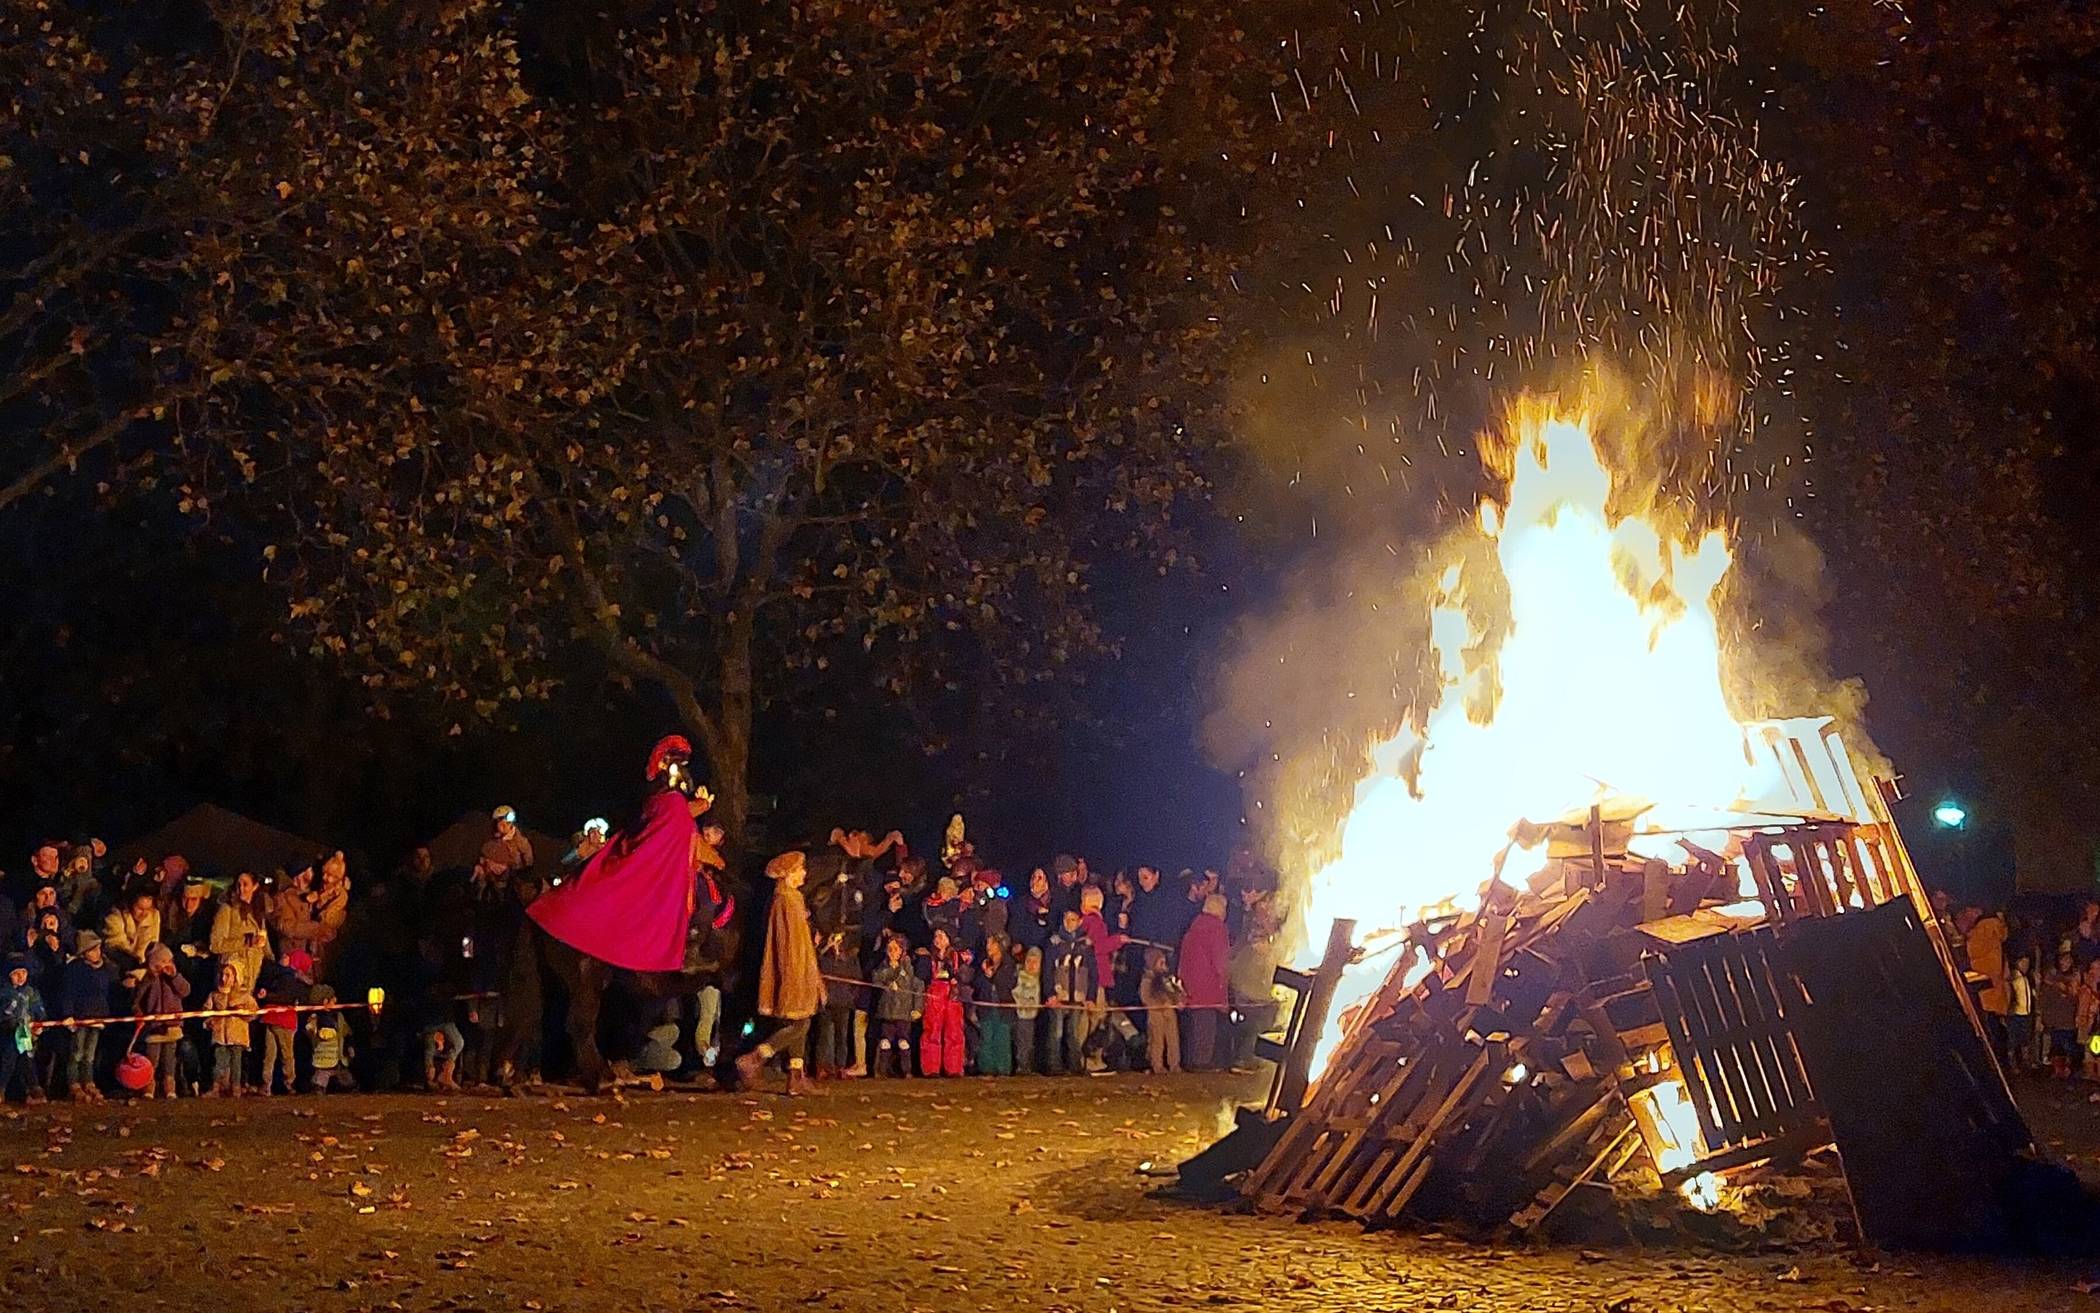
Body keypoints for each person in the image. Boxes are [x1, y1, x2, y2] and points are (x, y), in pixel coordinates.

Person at [529, 737, 713, 972]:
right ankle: (690, 948)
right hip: (664, 866)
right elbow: (675, 823)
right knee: (700, 897)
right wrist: (699, 807)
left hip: (672, 858)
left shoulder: (665, 802)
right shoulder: (669, 803)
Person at [740, 850, 824, 1095]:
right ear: (788, 874)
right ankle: (756, 1057)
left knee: (802, 1020)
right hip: (793, 972)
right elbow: (789, 946)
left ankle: (796, 1076)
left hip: (800, 970)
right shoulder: (786, 900)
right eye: (800, 870)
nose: (805, 874)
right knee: (799, 1023)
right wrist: (798, 976)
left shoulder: (792, 898)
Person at [1227, 884, 1283, 1072]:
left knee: (1259, 1020)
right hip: (1252, 981)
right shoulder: (1255, 923)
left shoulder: (1255, 918)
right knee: (1259, 1020)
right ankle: (1246, 1059)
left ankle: (1248, 1058)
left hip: (1251, 980)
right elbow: (1259, 946)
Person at [57, 930, 113, 1101]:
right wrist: (68, 1014)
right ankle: (74, 1083)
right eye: (92, 950)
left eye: (98, 949)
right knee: (77, 1052)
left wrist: (104, 1014)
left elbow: (104, 995)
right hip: (80, 1018)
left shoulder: (104, 969)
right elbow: (69, 994)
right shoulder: (75, 970)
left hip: (96, 1019)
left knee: (90, 1054)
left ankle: (88, 1081)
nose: (97, 953)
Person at [1178, 893, 1231, 1071]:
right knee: (1206, 1026)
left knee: (1195, 1024)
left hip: (1191, 983)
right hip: (1209, 985)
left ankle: (1191, 1060)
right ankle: (1202, 1062)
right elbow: (1220, 960)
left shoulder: (1194, 927)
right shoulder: (1217, 928)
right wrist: (1224, 983)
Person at [1046, 909, 1099, 1075]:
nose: (1070, 923)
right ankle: (1054, 1066)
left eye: (1073, 919)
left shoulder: (1086, 945)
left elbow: (1093, 973)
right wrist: (1050, 994)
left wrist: (1091, 997)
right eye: (1067, 919)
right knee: (1056, 1033)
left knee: (1075, 1034)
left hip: (1078, 996)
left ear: (1079, 921)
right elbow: (1047, 971)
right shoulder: (1054, 943)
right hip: (1059, 995)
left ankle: (1075, 1065)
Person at [134, 943, 189, 1098]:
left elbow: (185, 991)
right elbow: (137, 1001)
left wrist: (174, 977)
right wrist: (140, 1014)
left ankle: (170, 1088)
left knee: (169, 1060)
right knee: (152, 1059)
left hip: (172, 1026)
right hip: (154, 1027)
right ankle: (149, 1087)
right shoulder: (148, 979)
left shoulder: (174, 978)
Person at [255, 948, 312, 1094]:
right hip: (274, 1017)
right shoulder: (282, 975)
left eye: (289, 956)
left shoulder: (289, 979)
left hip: (282, 1019)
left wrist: (267, 995)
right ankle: (271, 1083)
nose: (284, 956)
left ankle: (287, 1083)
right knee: (272, 1054)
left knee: (282, 1053)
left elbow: (285, 998)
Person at [916, 925, 969, 1078]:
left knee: (954, 1030)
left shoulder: (957, 957)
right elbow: (922, 976)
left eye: (941, 936)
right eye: (936, 936)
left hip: (952, 993)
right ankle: (931, 1067)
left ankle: (953, 1067)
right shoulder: (929, 956)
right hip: (935, 992)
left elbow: (965, 976)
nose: (938, 940)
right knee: (932, 1029)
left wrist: (956, 979)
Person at [870, 933, 922, 1078]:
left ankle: (906, 1070)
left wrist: (917, 1008)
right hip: (887, 1011)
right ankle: (881, 1070)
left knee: (904, 1042)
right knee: (885, 1041)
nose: (892, 952)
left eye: (895, 949)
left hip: (904, 1012)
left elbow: (917, 988)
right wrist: (889, 975)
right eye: (889, 949)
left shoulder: (909, 968)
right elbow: (876, 979)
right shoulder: (883, 966)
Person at [211, 870, 272, 989]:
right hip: (231, 976)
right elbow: (215, 945)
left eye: (245, 884)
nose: (241, 889)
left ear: (255, 886)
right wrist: (246, 941)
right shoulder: (227, 910)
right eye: (238, 885)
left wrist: (272, 962)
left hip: (253, 974)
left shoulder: (258, 912)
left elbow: (265, 944)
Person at [204, 961, 256, 1098]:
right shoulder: (214, 995)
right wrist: (210, 1022)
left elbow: (254, 1013)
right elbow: (206, 1012)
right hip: (220, 1035)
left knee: (236, 1064)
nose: (224, 978)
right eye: (222, 974)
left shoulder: (244, 996)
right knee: (219, 1062)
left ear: (235, 976)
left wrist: (242, 1012)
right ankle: (216, 1087)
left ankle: (236, 1088)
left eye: (228, 975)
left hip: (237, 1035)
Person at [0, 953, 46, 1104]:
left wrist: (40, 1024)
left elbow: (38, 1010)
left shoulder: (31, 993)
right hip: (9, 1034)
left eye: (23, 973)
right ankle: (2, 1089)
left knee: (28, 1059)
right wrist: (9, 1022)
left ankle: (33, 1088)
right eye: (16, 973)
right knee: (8, 1061)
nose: (20, 977)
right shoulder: (5, 993)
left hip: (26, 1034)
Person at [973, 936, 1017, 1076]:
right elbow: (976, 984)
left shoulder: (1009, 964)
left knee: (1002, 1038)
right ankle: (987, 1068)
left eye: (991, 944)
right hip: (986, 1005)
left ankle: (1003, 1068)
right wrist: (985, 975)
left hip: (1003, 1006)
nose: (988, 947)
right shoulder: (982, 963)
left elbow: (1009, 983)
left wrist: (992, 975)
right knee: (986, 1037)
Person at [103, 888, 164, 987]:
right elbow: (118, 946)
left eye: (148, 909)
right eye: (140, 908)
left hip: (141, 968)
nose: (144, 913)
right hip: (117, 963)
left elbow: (150, 946)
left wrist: (140, 975)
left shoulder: (154, 915)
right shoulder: (114, 917)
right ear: (131, 905)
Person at [1139, 947, 1183, 1074]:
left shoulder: (1166, 980)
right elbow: (1145, 998)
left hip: (1170, 1013)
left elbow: (1174, 993)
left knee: (1173, 1040)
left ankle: (1174, 1064)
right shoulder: (1147, 980)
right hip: (1156, 1014)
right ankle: (1157, 1065)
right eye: (1161, 963)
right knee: (1157, 1041)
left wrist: (1178, 1001)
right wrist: (1159, 1004)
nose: (1163, 966)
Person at [305, 983, 354, 1091]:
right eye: (332, 998)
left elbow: (346, 1032)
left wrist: (349, 1046)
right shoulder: (315, 1018)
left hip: (339, 1058)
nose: (335, 1000)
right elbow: (311, 1031)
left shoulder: (338, 1016)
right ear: (325, 1001)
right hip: (324, 1060)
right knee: (319, 1083)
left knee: (348, 1083)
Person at [1013, 945, 1044, 1075]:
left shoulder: (1041, 979)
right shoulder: (1020, 976)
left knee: (1031, 1042)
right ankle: (1022, 1066)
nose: (1031, 965)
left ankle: (1030, 1066)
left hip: (1035, 1014)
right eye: (1029, 961)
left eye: (1035, 962)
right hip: (1021, 1014)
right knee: (1022, 1042)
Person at [2007, 952, 2035, 1073]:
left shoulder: (2026, 978)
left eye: (2027, 963)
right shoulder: (2013, 977)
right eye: (2023, 962)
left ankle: (2026, 1061)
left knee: (2025, 1039)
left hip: (2026, 1013)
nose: (2026, 965)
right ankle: (2012, 1064)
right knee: (2013, 1040)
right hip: (2015, 1014)